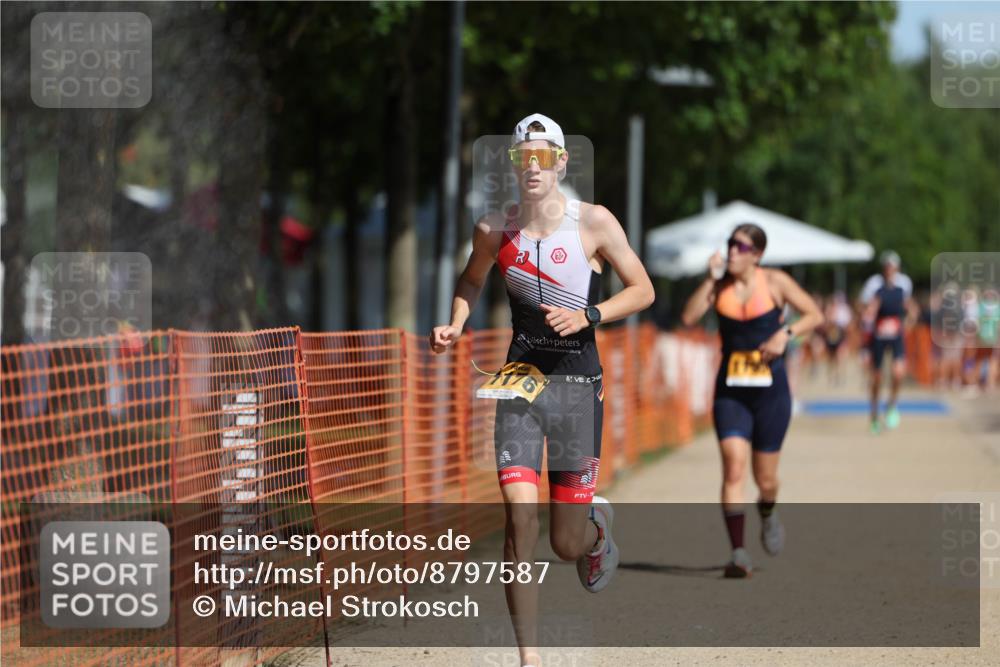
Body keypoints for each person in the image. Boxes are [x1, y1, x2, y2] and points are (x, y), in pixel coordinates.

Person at [429, 113, 655, 667]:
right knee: (519, 521)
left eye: (542, 157)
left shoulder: (593, 223)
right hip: (520, 388)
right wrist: (455, 323)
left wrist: (589, 315)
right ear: (513, 165)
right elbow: (472, 278)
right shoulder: (493, 230)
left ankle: (595, 533)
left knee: (564, 544)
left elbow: (643, 289)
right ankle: (529, 656)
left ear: (561, 162)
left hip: (577, 388)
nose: (532, 167)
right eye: (522, 158)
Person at [681, 224, 823, 578]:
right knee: (733, 467)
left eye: (741, 247)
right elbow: (688, 317)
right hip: (731, 392)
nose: (732, 251)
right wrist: (710, 279)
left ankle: (768, 512)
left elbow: (814, 315)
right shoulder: (719, 286)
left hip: (770, 394)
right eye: (730, 244)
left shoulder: (775, 281)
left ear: (757, 255)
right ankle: (738, 552)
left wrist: (785, 334)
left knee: (766, 480)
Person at [859, 250, 917, 433]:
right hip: (878, 336)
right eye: (887, 266)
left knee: (898, 372)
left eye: (892, 267)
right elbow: (868, 309)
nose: (890, 269)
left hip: (896, 335)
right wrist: (868, 319)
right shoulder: (875, 286)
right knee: (877, 377)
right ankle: (874, 415)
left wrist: (907, 324)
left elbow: (911, 309)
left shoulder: (903, 286)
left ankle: (891, 405)